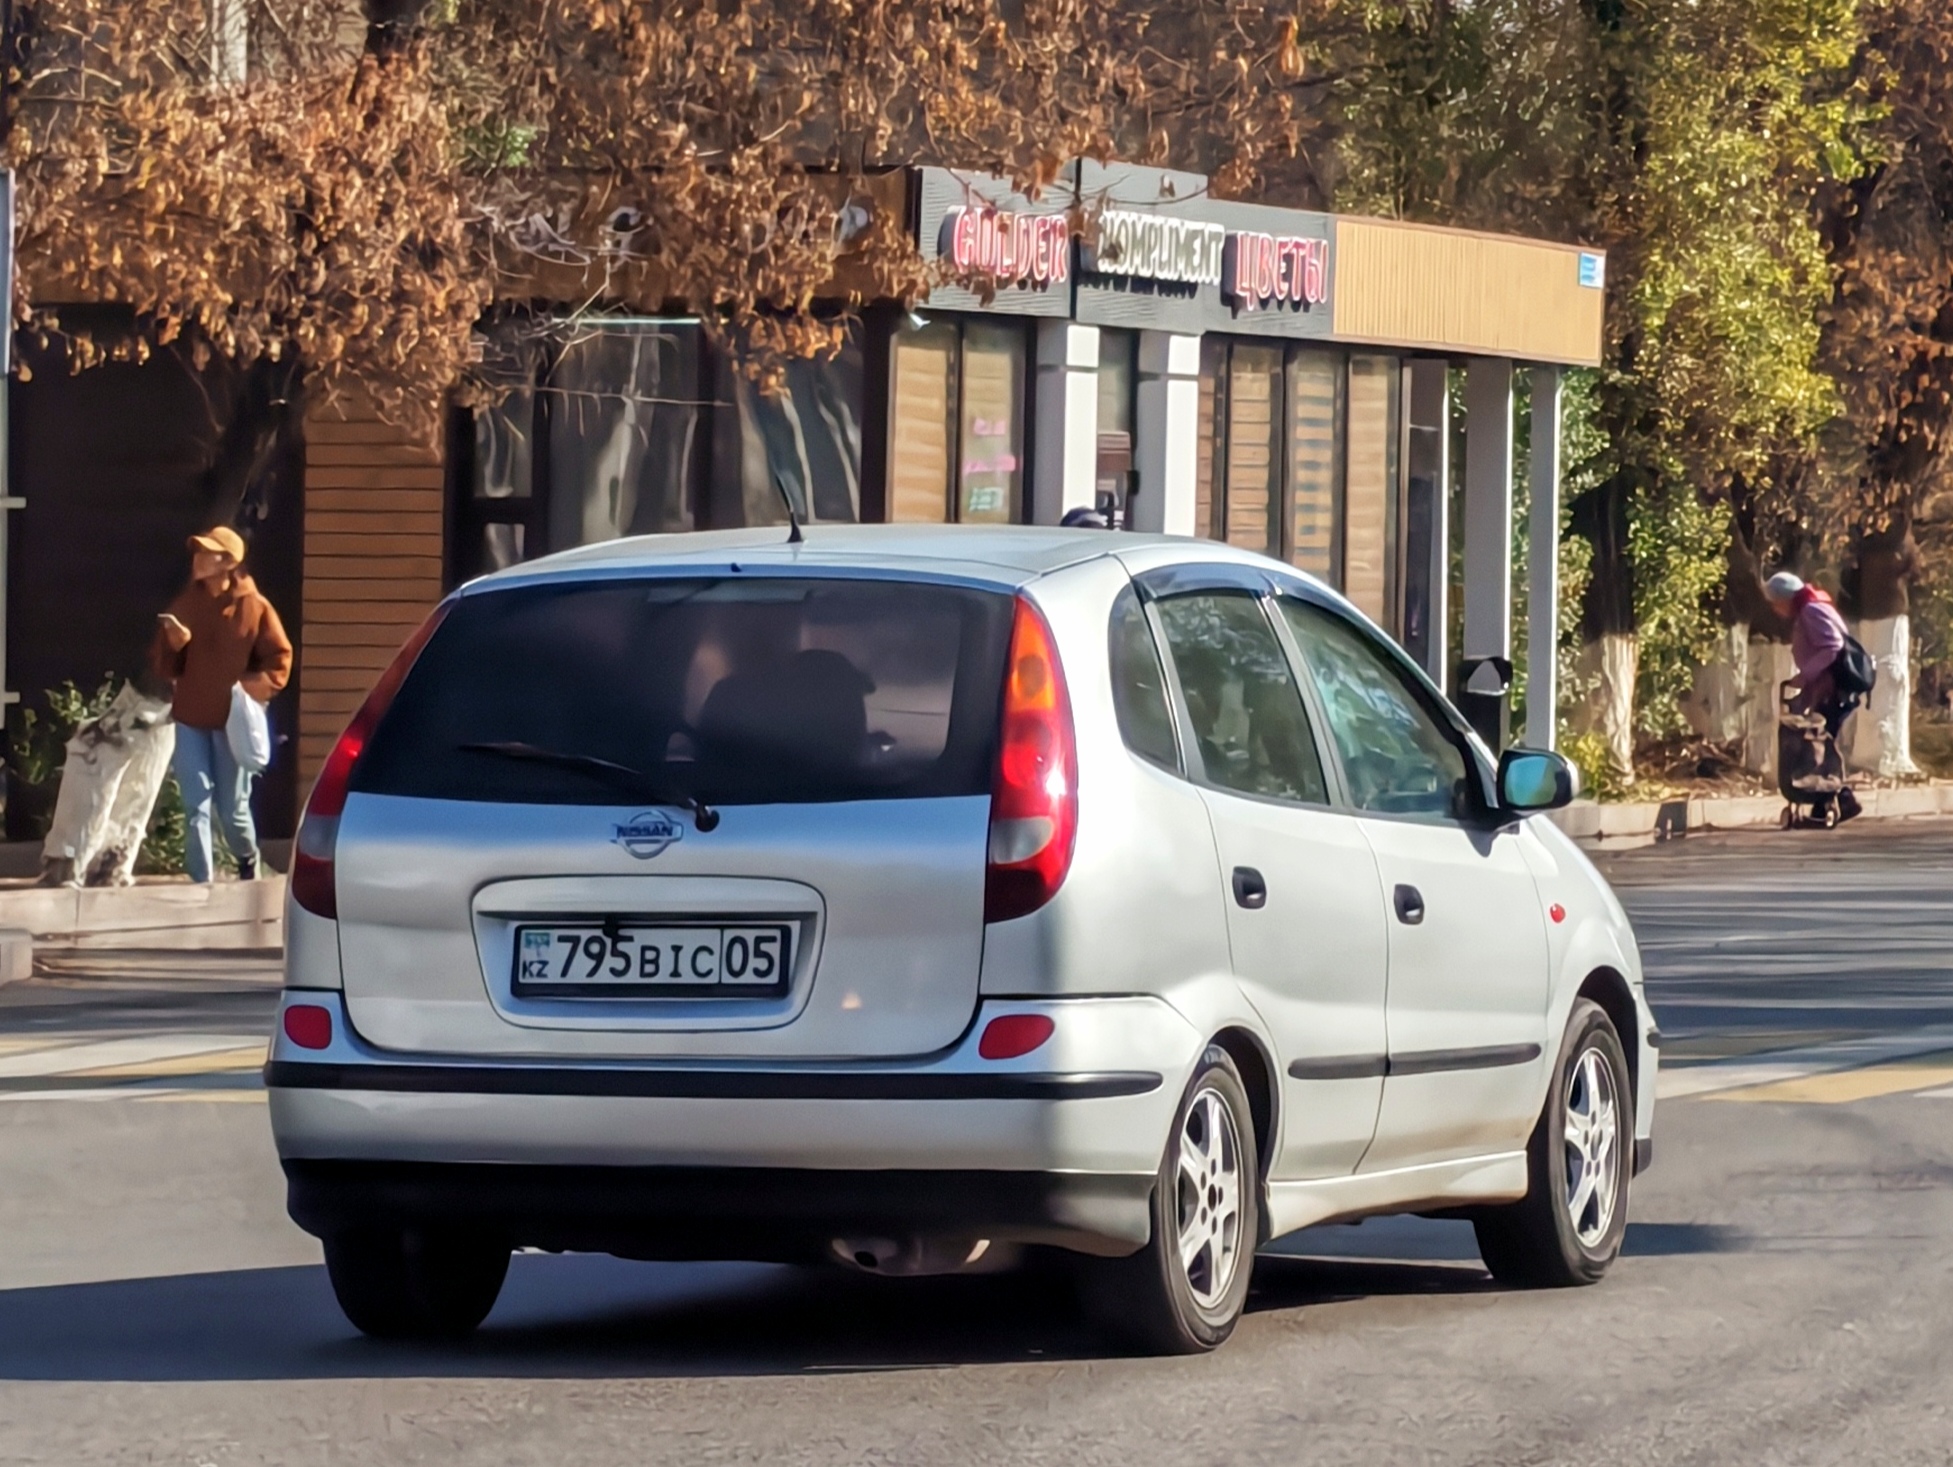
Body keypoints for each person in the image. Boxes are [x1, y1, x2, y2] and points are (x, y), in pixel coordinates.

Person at [150, 526, 292, 881]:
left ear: (228, 562)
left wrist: (250, 691)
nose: (198, 559)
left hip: (232, 723)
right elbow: (165, 666)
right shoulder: (187, 603)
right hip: (190, 719)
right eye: (197, 552)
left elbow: (279, 660)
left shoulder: (255, 608)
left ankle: (247, 858)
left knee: (232, 810)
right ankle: (203, 886)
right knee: (194, 807)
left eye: (207, 553)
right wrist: (174, 646)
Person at [1764, 570, 1862, 822]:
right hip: (1830, 687)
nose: (1774, 609)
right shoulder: (1814, 607)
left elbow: (1831, 648)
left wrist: (1805, 675)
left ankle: (1840, 799)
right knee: (1821, 742)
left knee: (1820, 743)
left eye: (1775, 603)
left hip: (1833, 689)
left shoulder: (1811, 611)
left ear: (1786, 598)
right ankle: (1826, 803)